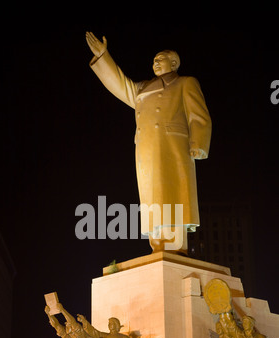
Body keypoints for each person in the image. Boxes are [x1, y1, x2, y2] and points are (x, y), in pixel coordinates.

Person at [86, 32, 212, 255]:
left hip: (173, 147)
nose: (155, 62)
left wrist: (198, 142)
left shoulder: (185, 83)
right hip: (146, 150)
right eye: (153, 60)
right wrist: (103, 56)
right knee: (152, 199)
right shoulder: (143, 88)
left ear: (174, 63)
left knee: (173, 196)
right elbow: (120, 84)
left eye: (160, 59)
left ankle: (176, 246)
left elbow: (199, 116)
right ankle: (158, 246)